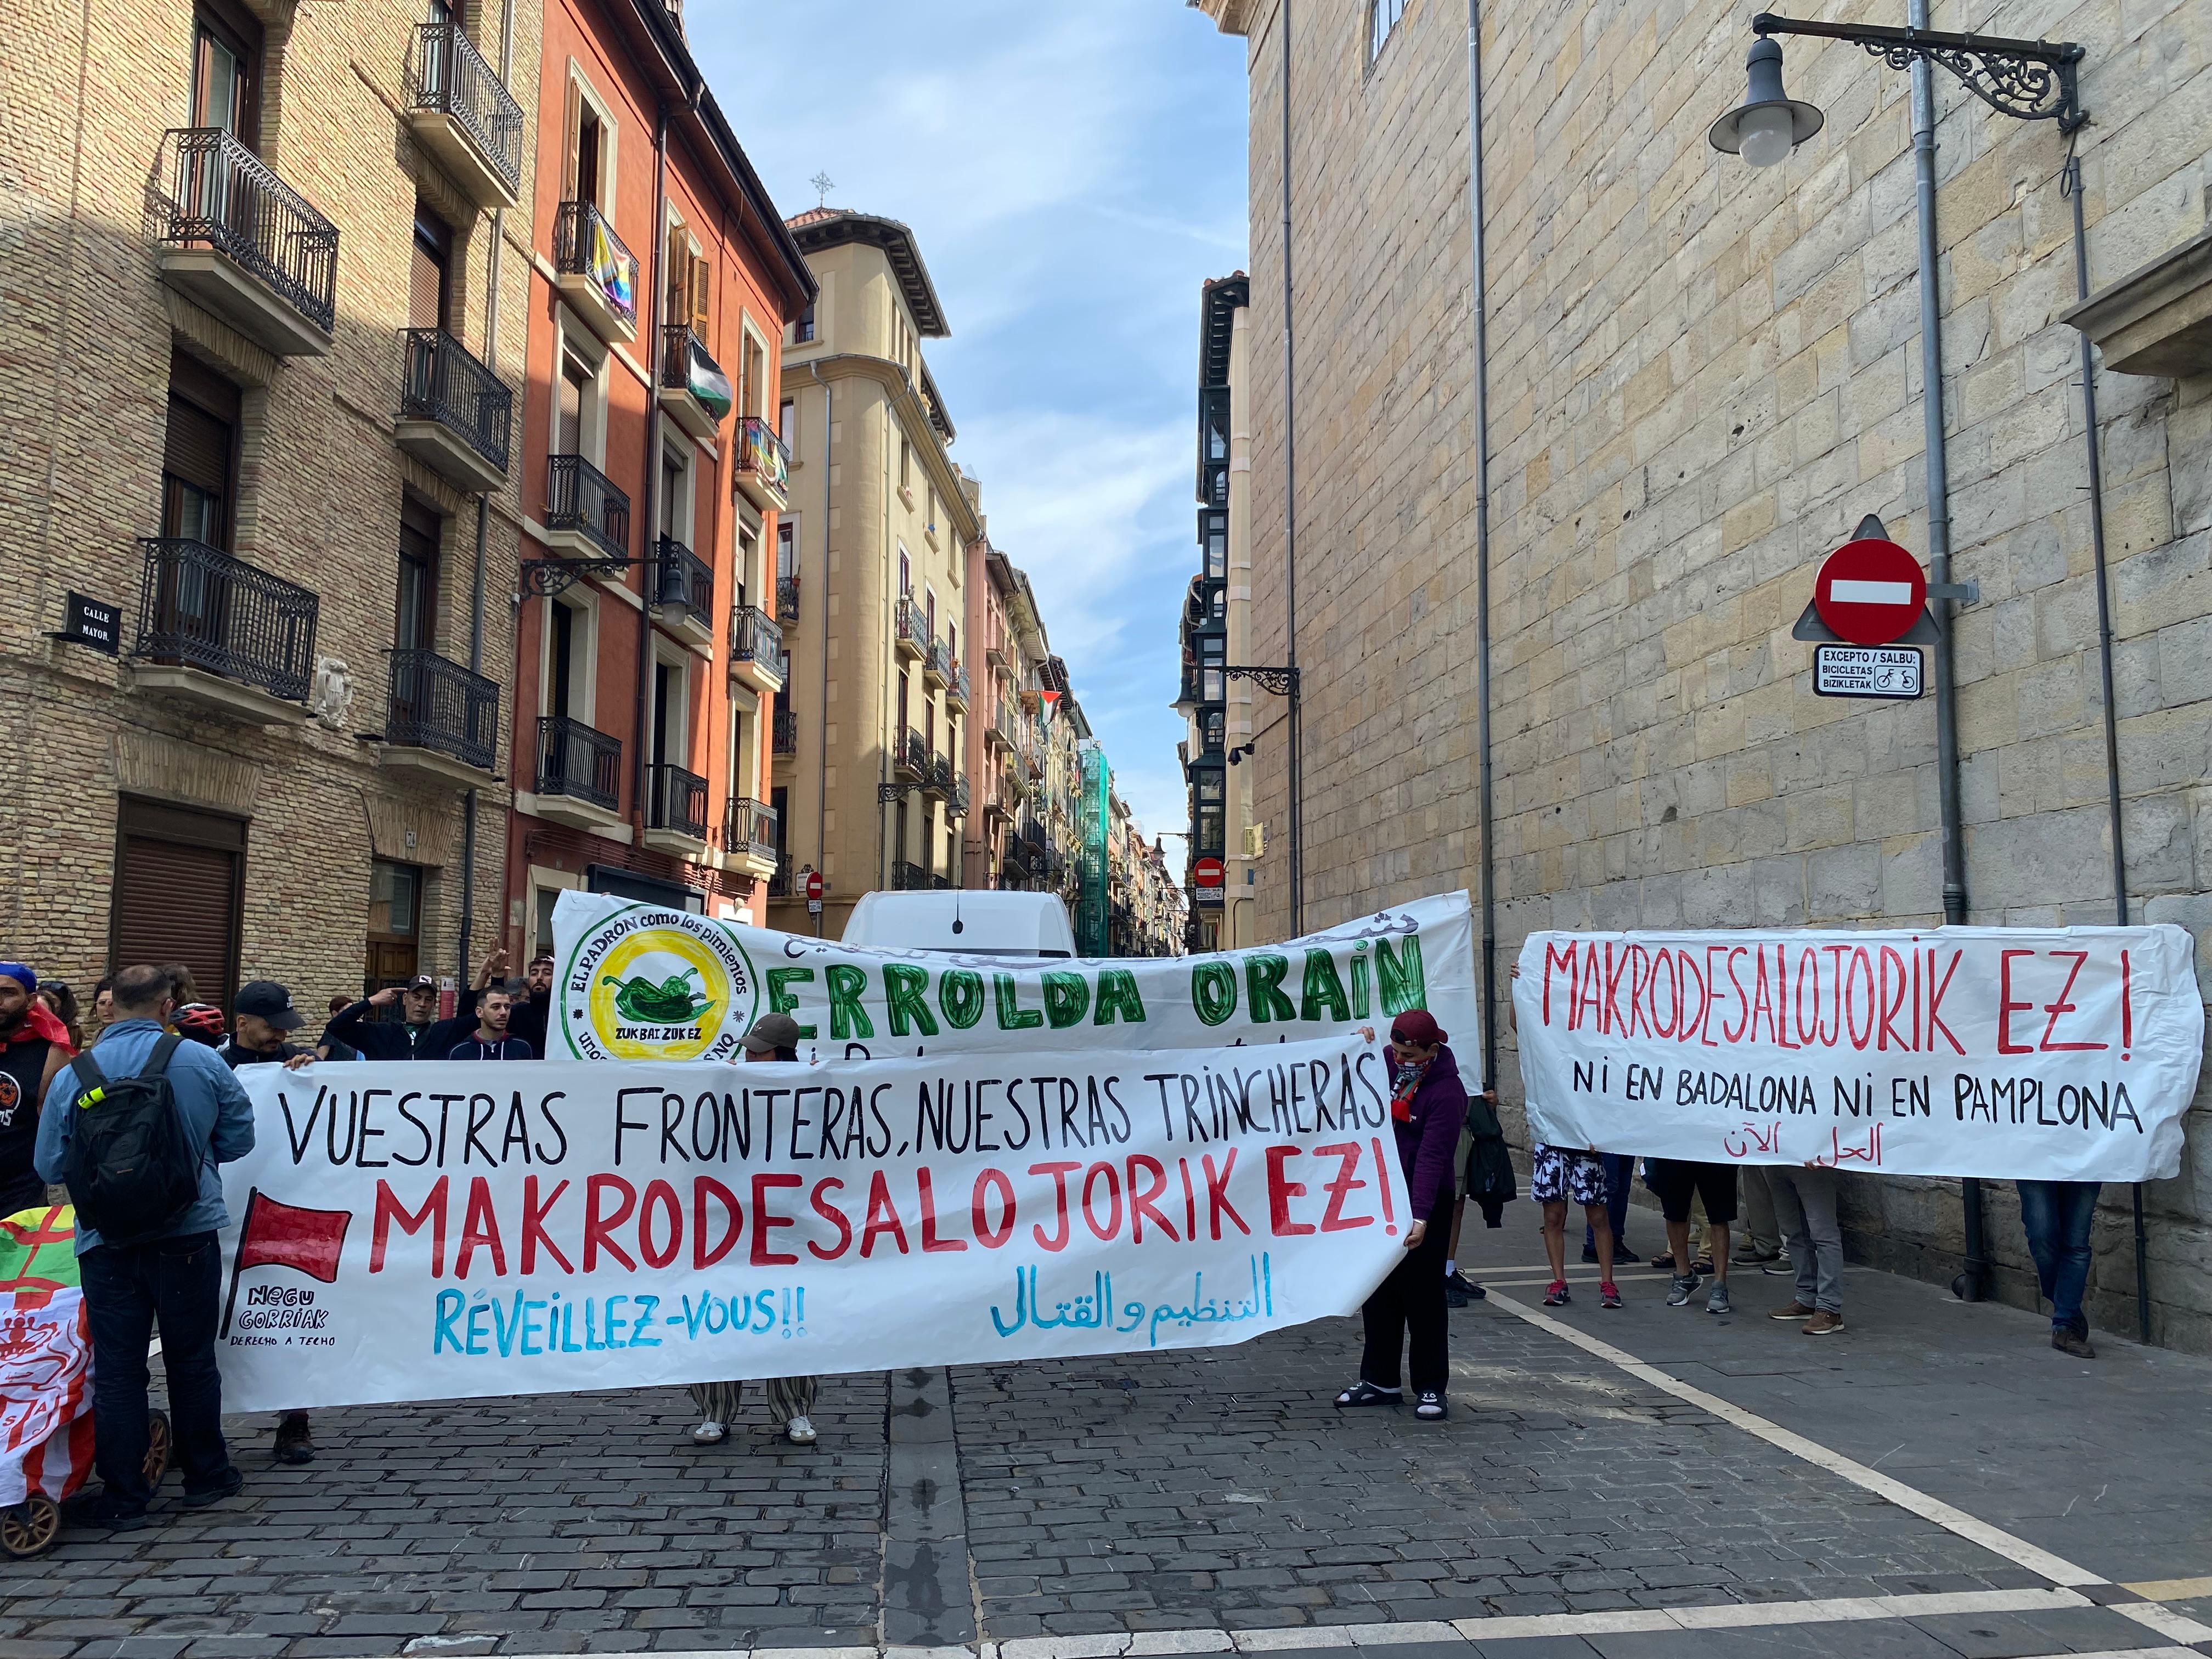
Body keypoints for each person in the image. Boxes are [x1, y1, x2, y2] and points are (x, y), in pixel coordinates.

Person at [33, 963, 252, 1527]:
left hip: (103, 1239)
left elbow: (49, 1164)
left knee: (119, 1368)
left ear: (112, 1006)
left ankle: (126, 1495)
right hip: (186, 1229)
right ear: (166, 1005)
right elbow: (239, 1137)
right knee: (191, 1359)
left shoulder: (73, 1074)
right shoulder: (201, 1061)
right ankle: (206, 1476)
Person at [690, 1013, 820, 1447]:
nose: (748, 1056)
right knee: (720, 1313)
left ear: (781, 1055)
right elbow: (703, 1145)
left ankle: (794, 1410)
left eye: (758, 1050)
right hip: (731, 1220)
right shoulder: (727, 1086)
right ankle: (715, 1411)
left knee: (789, 1314)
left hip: (786, 1221)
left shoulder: (811, 1091)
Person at [1333, 1010, 1467, 1421]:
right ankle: (1380, 1380)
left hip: (1424, 1200)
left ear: (1432, 1049)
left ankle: (1430, 1386)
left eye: (1409, 1053)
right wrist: (1357, 1044)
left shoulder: (1448, 1093)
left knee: (1423, 1295)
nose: (1400, 1059)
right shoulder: (1386, 1061)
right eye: (1395, 1050)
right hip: (1381, 1193)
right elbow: (1344, 1081)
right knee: (1380, 1290)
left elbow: (1432, 1157)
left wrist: (1421, 1216)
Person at [212, 979, 320, 1464]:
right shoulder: (211, 1064)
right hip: (224, 1209)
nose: (281, 1035)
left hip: (287, 1209)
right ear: (241, 1024)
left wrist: (314, 1073)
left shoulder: (295, 1060)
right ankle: (199, 1427)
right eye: (271, 1027)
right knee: (210, 1319)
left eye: (285, 1027)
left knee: (292, 1315)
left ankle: (294, 1421)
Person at [1506, 965, 1619, 1309]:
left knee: (1598, 1215)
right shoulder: (1543, 1037)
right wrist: (1518, 986)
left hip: (1584, 1142)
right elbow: (1518, 1023)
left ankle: (1608, 1283)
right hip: (1553, 1139)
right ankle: (1558, 1279)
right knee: (1553, 1217)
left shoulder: (1591, 1040)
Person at [0, 964, 76, 1215]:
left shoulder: (51, 1052)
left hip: (18, 1195)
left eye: (8, 993)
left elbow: (57, 1125)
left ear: (31, 1001)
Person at [323, 960, 491, 1060]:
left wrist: (485, 974)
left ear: (434, 1004)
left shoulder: (443, 1032)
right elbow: (336, 1027)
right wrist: (372, 1001)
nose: (422, 1004)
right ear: (405, 999)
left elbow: (478, 1015)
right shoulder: (381, 1033)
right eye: (416, 997)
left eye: (428, 999)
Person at [2016, 1180, 2099, 1358]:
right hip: (2034, 1159)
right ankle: (2069, 1310)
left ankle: (2066, 1324)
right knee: (2041, 1235)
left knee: (2077, 1243)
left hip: (2086, 1158)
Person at [1647, 1160, 1737, 1314]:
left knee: (1719, 1215)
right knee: (1674, 1212)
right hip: (1676, 1148)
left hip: (1713, 1147)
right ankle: (1683, 1275)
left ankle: (1720, 1285)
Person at [1768, 1164, 1845, 1335]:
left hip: (1809, 1160)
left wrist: (1820, 1150)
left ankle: (1830, 1308)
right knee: (1794, 1231)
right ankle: (1807, 1298)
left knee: (1824, 1234)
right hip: (1777, 1157)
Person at [449, 983, 534, 1060]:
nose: (504, 1012)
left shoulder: (522, 1048)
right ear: (479, 1012)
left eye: (507, 1007)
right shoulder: (460, 1052)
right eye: (496, 1007)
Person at [510, 952, 555, 1056]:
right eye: (534, 973)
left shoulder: (566, 1015)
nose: (539, 978)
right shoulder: (517, 1013)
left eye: (547, 973)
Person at [37, 982, 85, 1053]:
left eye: (52, 1001)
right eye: (45, 1000)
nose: (46, 1005)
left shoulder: (73, 1029)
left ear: (63, 1005)